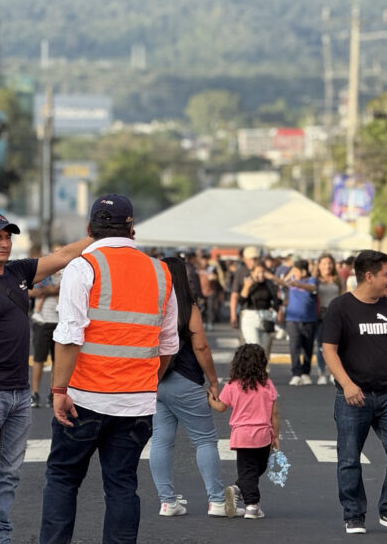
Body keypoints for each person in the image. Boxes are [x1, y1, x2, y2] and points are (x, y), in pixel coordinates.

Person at [39, 194, 180, 544]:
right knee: (122, 485)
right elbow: (168, 345)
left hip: (84, 398)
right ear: (132, 229)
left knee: (62, 479)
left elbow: (70, 334)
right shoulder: (161, 272)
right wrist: (147, 382)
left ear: (90, 229)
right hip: (136, 402)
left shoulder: (83, 267)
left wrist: (58, 390)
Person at [0, 211, 91, 544]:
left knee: (8, 475)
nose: (4, 243)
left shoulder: (18, 272)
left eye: (8, 237)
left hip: (19, 393)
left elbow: (65, 255)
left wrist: (103, 233)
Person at [321, 249, 387, 535]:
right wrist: (347, 384)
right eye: (386, 274)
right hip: (354, 396)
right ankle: (354, 514)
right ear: (368, 276)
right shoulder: (340, 307)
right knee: (349, 458)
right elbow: (329, 350)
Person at [148, 257, 234, 518]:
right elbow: (201, 347)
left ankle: (167, 501)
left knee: (161, 442)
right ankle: (217, 500)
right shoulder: (187, 306)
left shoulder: (150, 303)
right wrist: (214, 380)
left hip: (155, 379)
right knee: (205, 440)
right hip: (185, 378)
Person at [209, 343, 280, 520]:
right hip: (263, 435)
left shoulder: (232, 385)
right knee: (258, 467)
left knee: (249, 470)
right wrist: (276, 436)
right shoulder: (267, 384)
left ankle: (240, 492)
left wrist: (210, 400)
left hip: (242, 436)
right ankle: (252, 504)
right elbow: (275, 413)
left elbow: (221, 407)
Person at [29, 244, 64, 409]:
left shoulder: (69, 273)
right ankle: (35, 393)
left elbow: (62, 289)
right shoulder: (44, 272)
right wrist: (50, 290)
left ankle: (53, 393)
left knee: (58, 361)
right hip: (42, 322)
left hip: (60, 322)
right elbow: (31, 291)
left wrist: (49, 291)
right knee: (39, 359)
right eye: (55, 253)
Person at [284, 259, 318, 386]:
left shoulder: (312, 280)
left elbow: (313, 288)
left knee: (308, 347)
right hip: (292, 320)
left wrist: (298, 284)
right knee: (294, 346)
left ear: (303, 271)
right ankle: (296, 374)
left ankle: (305, 373)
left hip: (309, 319)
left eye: (296, 270)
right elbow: (283, 282)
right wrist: (293, 272)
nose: (294, 273)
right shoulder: (292, 278)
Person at [238, 264, 282, 359]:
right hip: (251, 317)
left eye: (263, 272)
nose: (261, 275)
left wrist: (276, 311)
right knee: (254, 347)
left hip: (266, 317)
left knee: (264, 351)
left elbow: (277, 300)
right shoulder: (248, 283)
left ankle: (262, 368)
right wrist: (247, 286)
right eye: (258, 272)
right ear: (252, 273)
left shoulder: (269, 284)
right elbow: (241, 301)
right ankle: (253, 367)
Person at [315, 253, 344, 384]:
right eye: (324, 263)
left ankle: (335, 373)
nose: (327, 266)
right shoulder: (315, 280)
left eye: (329, 263)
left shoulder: (338, 280)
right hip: (320, 316)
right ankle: (321, 373)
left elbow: (343, 297)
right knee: (321, 346)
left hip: (335, 315)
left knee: (337, 346)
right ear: (319, 265)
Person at [229, 246, 261, 332]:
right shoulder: (241, 272)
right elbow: (234, 294)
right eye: (250, 259)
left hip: (264, 313)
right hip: (246, 312)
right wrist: (233, 315)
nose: (253, 262)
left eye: (255, 259)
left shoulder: (265, 271)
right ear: (245, 259)